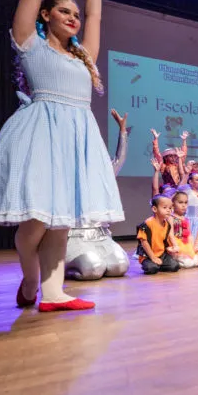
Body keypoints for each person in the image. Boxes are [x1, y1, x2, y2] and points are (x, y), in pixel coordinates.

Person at [0, 0, 122, 312]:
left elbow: (95, 16)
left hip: (77, 135)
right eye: (63, 12)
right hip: (43, 134)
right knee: (36, 220)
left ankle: (54, 294)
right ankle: (31, 279)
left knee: (63, 220)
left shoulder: (84, 59)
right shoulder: (30, 45)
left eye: (74, 13)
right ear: (45, 16)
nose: (73, 17)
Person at [64, 109, 132, 280]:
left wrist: (122, 131)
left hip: (101, 236)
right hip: (76, 237)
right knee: (93, 269)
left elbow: (119, 159)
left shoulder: (103, 172)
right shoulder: (67, 173)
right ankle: (61, 268)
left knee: (120, 266)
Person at [136, 195, 181, 275]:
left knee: (175, 266)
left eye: (170, 208)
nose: (168, 210)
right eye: (165, 207)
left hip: (161, 254)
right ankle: (153, 264)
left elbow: (164, 240)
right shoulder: (147, 224)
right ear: (154, 209)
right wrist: (153, 257)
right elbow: (144, 242)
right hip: (148, 255)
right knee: (152, 268)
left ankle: (159, 264)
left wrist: (172, 248)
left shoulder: (167, 224)